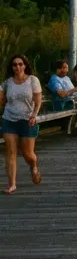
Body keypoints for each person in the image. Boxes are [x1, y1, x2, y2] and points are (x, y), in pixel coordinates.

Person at [1, 54, 43, 194]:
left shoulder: (32, 80)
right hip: (9, 119)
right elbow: (2, 98)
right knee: (11, 152)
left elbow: (38, 99)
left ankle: (34, 165)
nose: (17, 67)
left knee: (27, 153)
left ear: (25, 65)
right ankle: (12, 184)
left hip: (27, 119)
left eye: (20, 64)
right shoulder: (7, 82)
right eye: (14, 65)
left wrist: (34, 114)